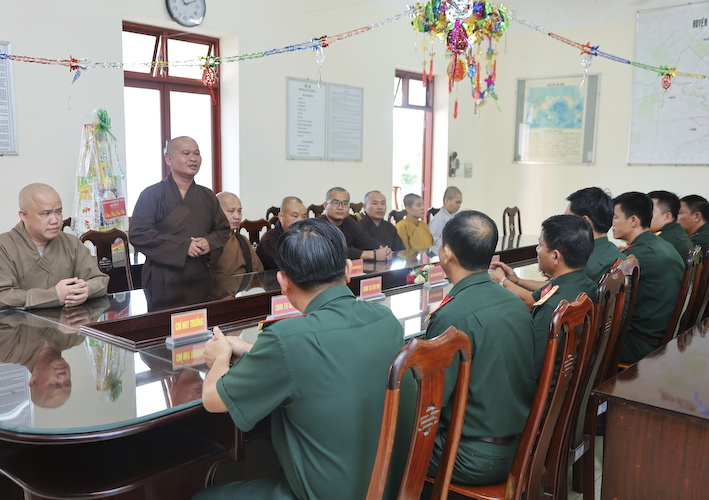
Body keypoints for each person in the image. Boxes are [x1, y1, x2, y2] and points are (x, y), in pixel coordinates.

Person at [196, 218, 415, 500]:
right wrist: (253, 351)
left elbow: (213, 399)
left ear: (282, 282)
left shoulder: (286, 337)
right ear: (348, 270)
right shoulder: (385, 319)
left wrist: (220, 357)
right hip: (390, 486)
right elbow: (331, 359)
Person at [425, 211, 536, 486]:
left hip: (470, 457)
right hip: (520, 449)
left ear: (447, 253)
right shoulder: (515, 303)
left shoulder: (452, 316)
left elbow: (430, 402)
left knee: (386, 444)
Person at [490, 215, 596, 380]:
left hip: (545, 392)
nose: (537, 249)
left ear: (555, 256)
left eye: (540, 245)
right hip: (575, 383)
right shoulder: (589, 286)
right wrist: (513, 280)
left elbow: (529, 370)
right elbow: (534, 298)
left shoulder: (551, 309)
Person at [129, 136, 231, 289]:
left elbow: (223, 230)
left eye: (197, 154)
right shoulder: (151, 194)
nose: (193, 158)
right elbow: (138, 234)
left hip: (201, 276)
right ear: (169, 160)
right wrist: (183, 247)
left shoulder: (207, 196)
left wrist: (208, 242)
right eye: (186, 153)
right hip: (163, 279)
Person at [0, 183, 109, 309]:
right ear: (24, 216)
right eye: (45, 214)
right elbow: (3, 296)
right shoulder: (4, 246)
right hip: (20, 321)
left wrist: (87, 290)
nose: (55, 220)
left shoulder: (71, 242)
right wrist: (53, 296)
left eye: (59, 212)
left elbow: (99, 280)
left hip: (69, 319)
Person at [612, 192, 684, 363]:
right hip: (665, 339)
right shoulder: (663, 244)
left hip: (642, 345)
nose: (612, 223)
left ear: (633, 220)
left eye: (615, 217)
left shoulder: (633, 258)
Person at [566, 187, 624, 283]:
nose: (564, 224)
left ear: (584, 222)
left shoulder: (582, 264)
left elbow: (558, 289)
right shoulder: (615, 253)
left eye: (568, 218)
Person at [319, 187, 392, 261]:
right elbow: (333, 250)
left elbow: (366, 241)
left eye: (345, 203)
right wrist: (373, 254)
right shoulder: (317, 225)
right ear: (325, 205)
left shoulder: (349, 222)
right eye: (335, 203)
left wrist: (384, 250)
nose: (340, 207)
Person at [213, 192, 264, 277]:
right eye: (231, 211)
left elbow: (258, 273)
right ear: (215, 212)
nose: (237, 216)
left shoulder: (243, 241)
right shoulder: (206, 242)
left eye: (239, 211)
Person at [256, 196, 307, 270]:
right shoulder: (269, 240)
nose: (300, 220)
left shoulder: (305, 236)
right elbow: (285, 267)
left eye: (304, 217)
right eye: (295, 216)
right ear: (281, 217)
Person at [648, 190, 693, 259]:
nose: (642, 216)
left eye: (649, 211)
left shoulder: (666, 241)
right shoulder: (674, 232)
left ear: (667, 217)